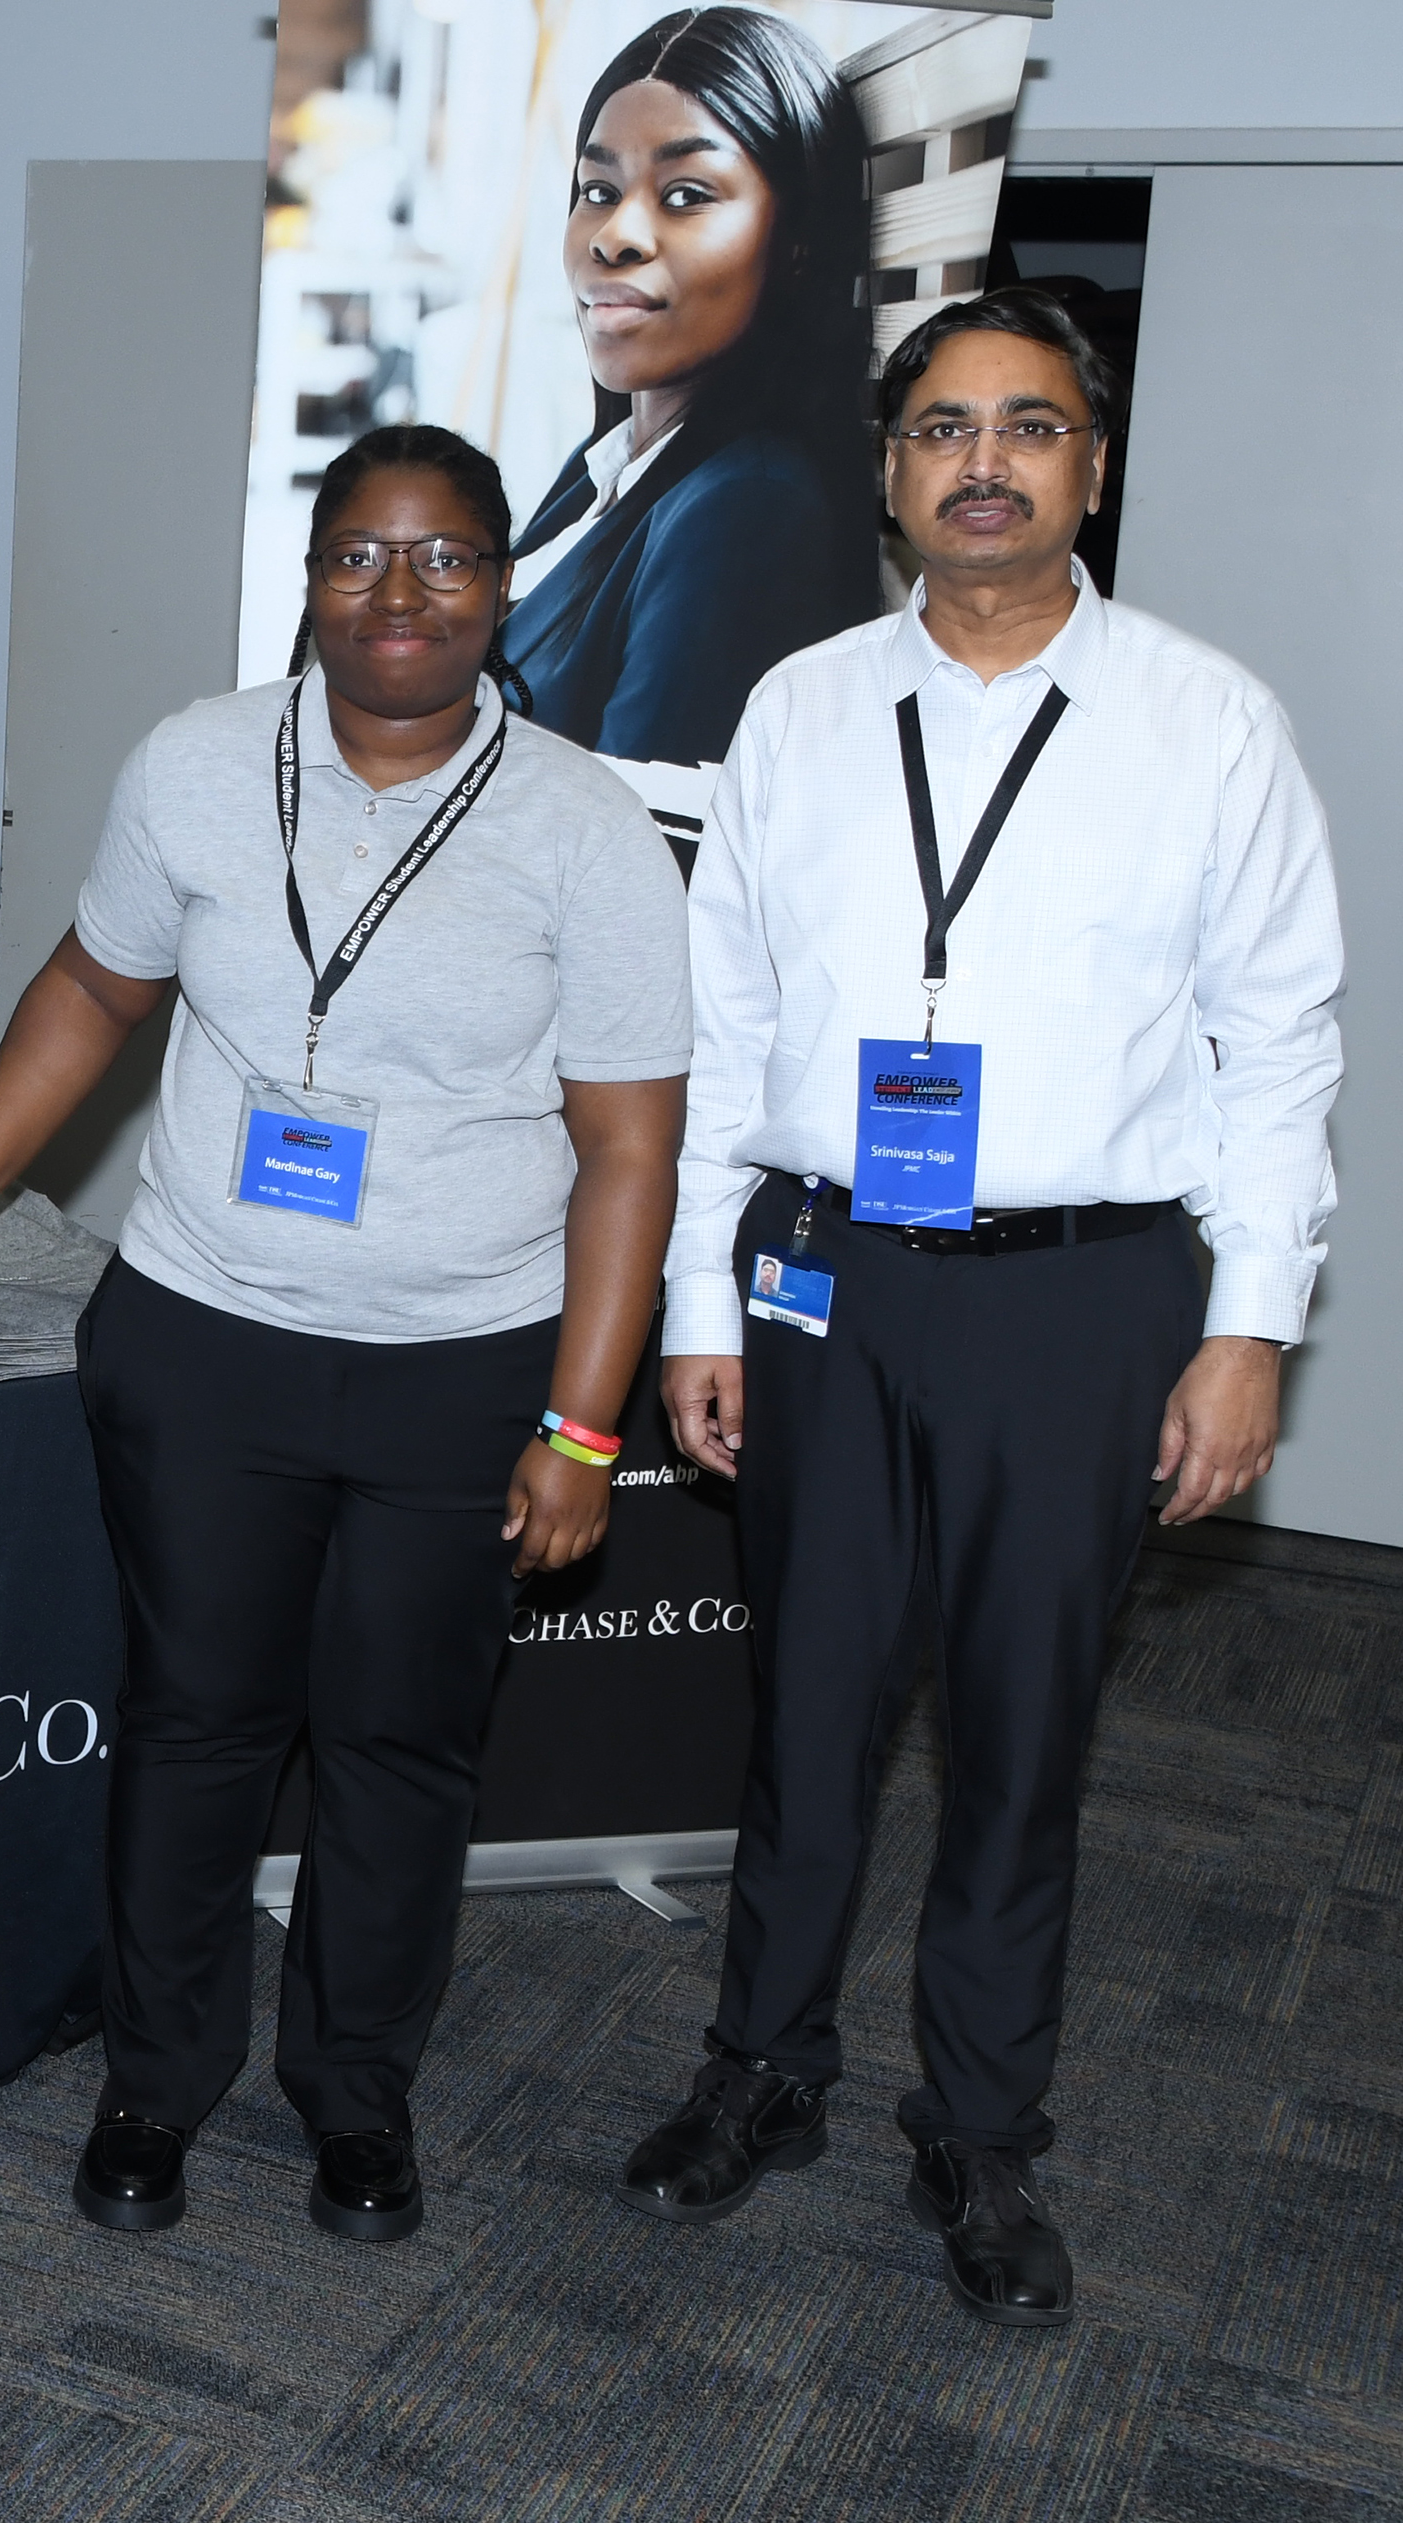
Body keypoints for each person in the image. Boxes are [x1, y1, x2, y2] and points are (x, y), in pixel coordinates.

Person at [0, 424, 690, 2242]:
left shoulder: (585, 824)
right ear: (311, 578)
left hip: (462, 1363)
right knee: (197, 1723)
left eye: (446, 557)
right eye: (362, 555)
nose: (402, 593)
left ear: (500, 586)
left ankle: (356, 2102)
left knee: (398, 1748)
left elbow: (630, 1145)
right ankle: (157, 2083)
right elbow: (93, 984)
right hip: (208, 1336)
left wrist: (586, 1424)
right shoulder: (201, 765)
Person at [617, 288, 1342, 2327]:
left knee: (1024, 1737)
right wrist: (700, 1301)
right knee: (810, 1709)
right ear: (890, 467)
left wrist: (1249, 1323)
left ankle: (985, 2128)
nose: (985, 460)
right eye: (943, 426)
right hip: (829, 1271)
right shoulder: (802, 710)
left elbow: (1282, 1047)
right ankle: (762, 2067)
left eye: (1029, 424)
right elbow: (727, 1022)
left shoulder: (1209, 720)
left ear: (1091, 467)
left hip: (1085, 1294)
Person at [500, 6, 881, 769]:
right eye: (599, 190)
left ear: (797, 243)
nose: (614, 236)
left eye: (685, 195)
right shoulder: (605, 469)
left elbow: (641, 853)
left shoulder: (750, 508)